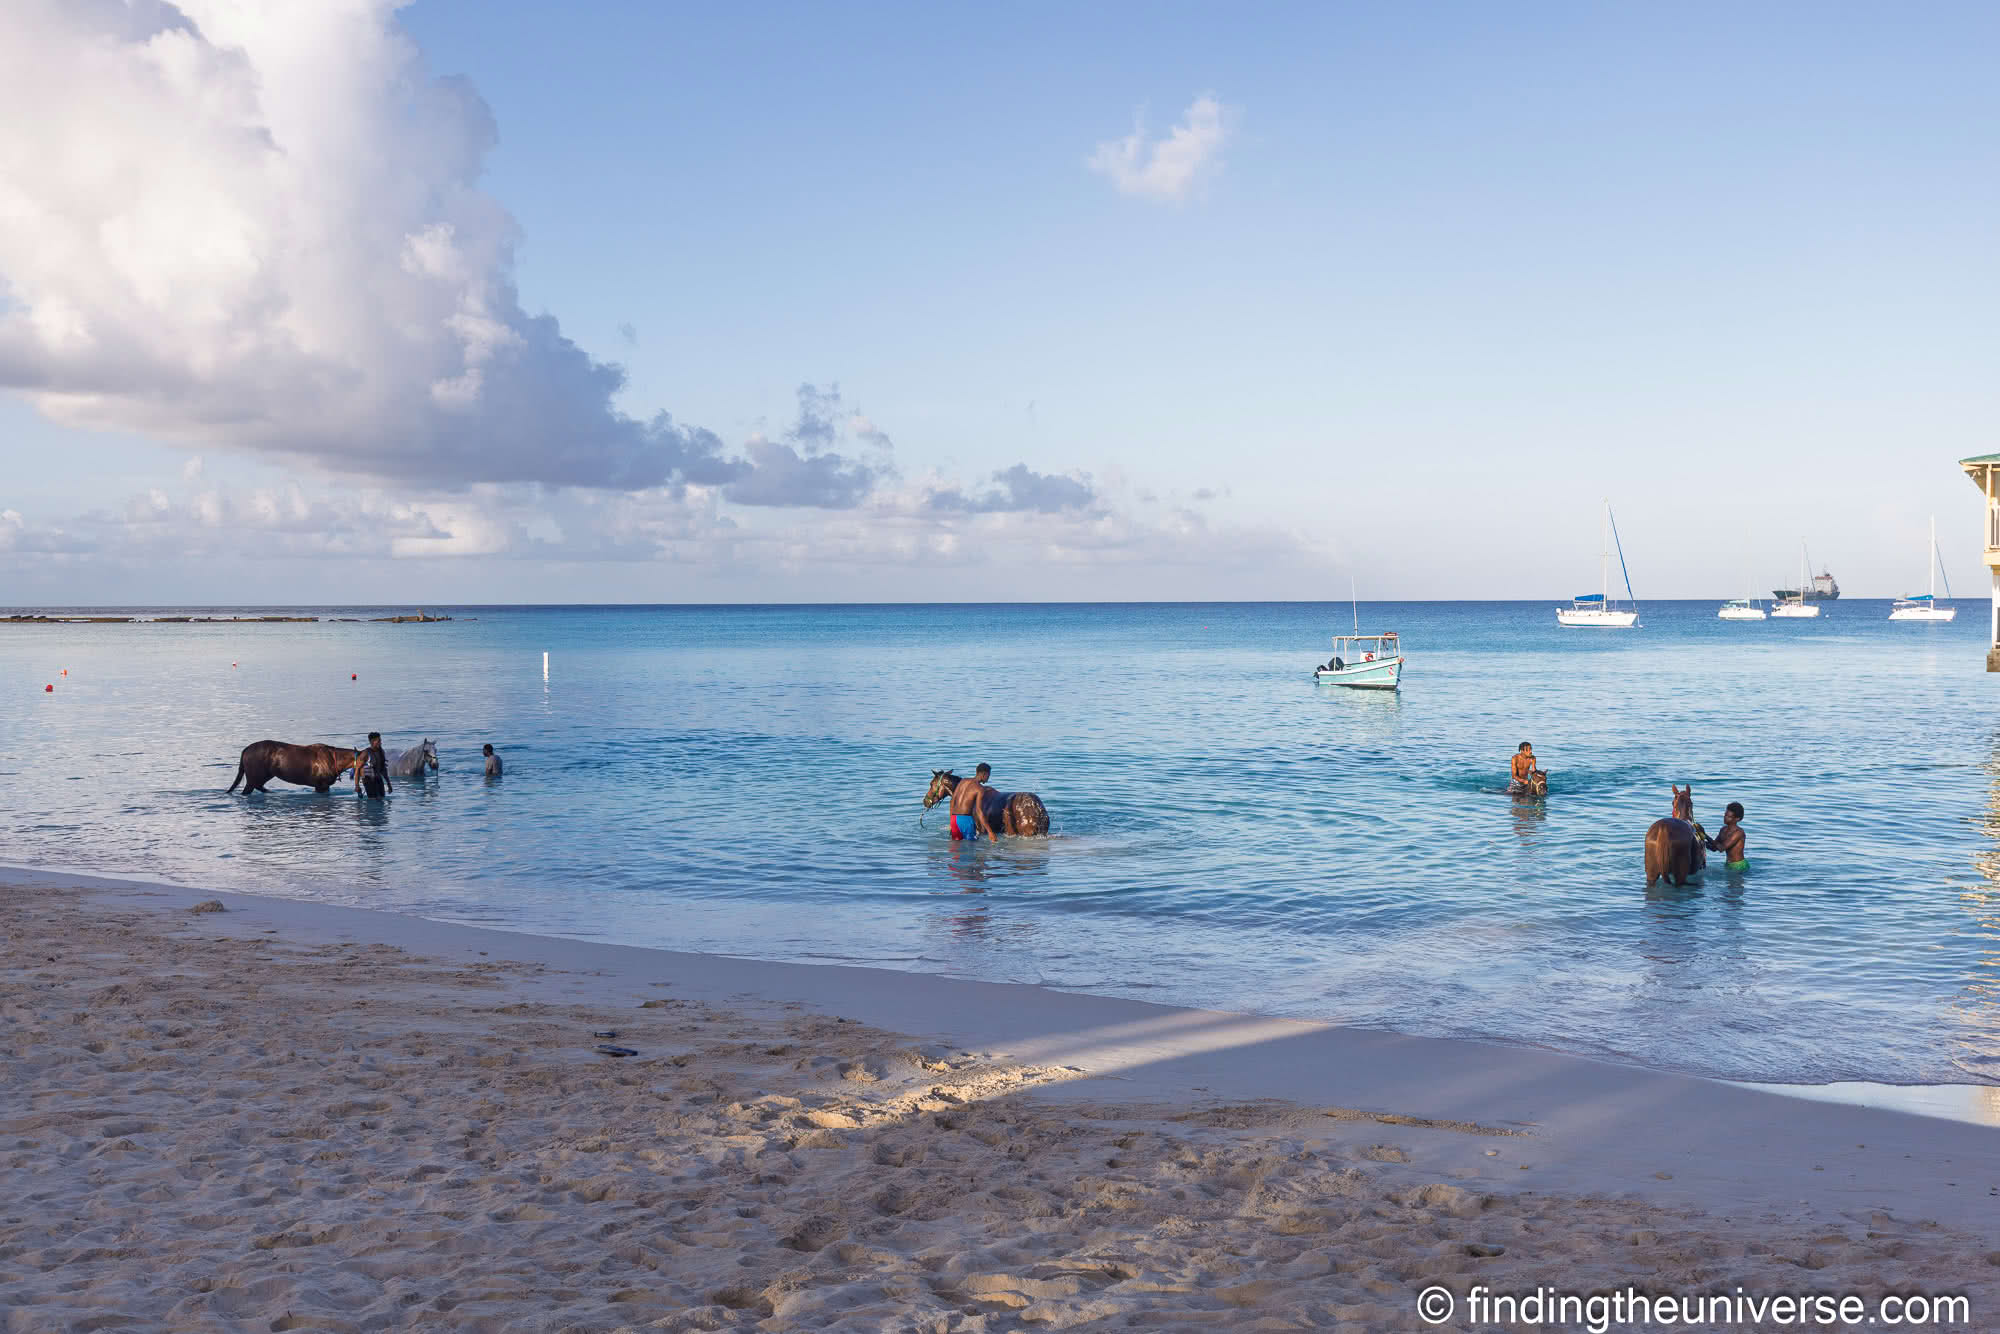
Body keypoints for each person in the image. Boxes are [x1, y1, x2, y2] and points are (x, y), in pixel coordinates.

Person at [949, 762, 1001, 841]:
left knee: (955, 848)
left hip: (954, 818)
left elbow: (952, 802)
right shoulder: (980, 789)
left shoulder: (963, 781)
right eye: (988, 775)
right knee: (971, 847)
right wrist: (990, 831)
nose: (988, 778)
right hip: (965, 820)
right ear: (984, 774)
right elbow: (979, 811)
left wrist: (951, 822)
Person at [1705, 801, 1748, 871]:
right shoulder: (1723, 830)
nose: (1725, 818)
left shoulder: (1739, 833)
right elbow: (1714, 848)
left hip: (1739, 865)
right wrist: (1700, 841)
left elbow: (1721, 848)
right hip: (1728, 864)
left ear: (1737, 819)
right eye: (1725, 815)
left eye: (1729, 817)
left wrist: (1705, 835)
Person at [356, 731, 392, 800]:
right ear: (372, 742)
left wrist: (389, 784)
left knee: (382, 799)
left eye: (380, 740)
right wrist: (357, 786)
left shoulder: (381, 752)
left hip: (378, 779)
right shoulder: (365, 753)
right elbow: (357, 770)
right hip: (368, 780)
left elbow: (383, 770)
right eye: (378, 741)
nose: (380, 742)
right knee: (373, 801)